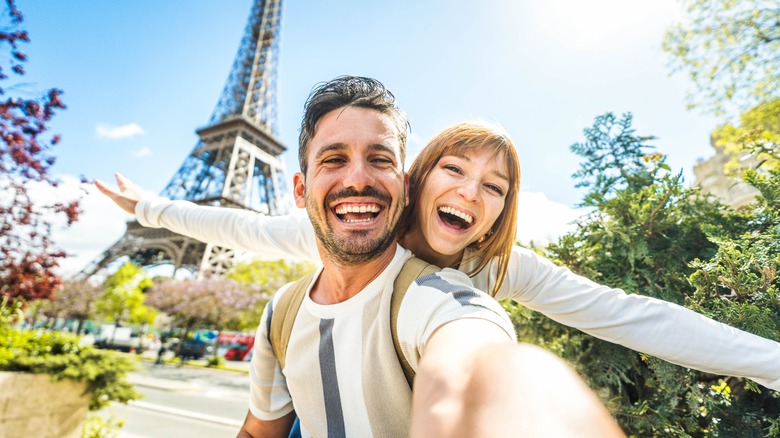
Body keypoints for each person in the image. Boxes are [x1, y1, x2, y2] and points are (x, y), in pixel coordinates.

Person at [100, 76, 625, 437]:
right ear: (300, 189)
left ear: (404, 183)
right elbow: (236, 225)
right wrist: (149, 207)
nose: (356, 178)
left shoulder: (449, 298)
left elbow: (482, 356)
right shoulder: (282, 313)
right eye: (334, 159)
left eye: (379, 158)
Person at [98, 121, 780, 394]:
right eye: (454, 170)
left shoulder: (500, 266)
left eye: (494, 187)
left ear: (502, 210)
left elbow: (632, 317)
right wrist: (149, 211)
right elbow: (239, 227)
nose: (470, 193)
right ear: (420, 178)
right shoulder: (354, 228)